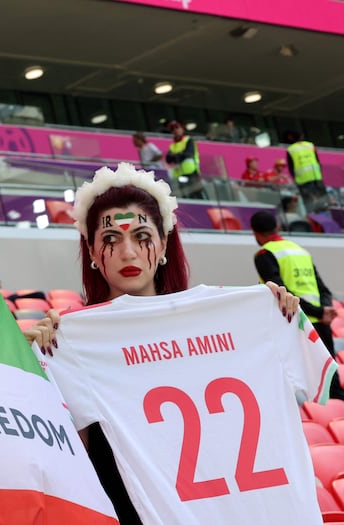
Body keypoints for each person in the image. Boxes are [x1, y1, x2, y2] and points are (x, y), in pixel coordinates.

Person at [24, 163, 301, 524]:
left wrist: (273, 316)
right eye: (110, 239)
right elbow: (70, 460)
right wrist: (31, 365)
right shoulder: (72, 339)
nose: (128, 253)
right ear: (91, 251)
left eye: (141, 236)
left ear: (164, 242)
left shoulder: (222, 320)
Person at [250, 210, 342, 400]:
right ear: (277, 227)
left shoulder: (265, 254)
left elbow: (281, 292)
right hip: (320, 325)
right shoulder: (300, 250)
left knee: (304, 388)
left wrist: (316, 311)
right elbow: (323, 288)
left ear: (255, 233)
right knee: (331, 385)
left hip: (296, 324)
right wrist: (323, 311)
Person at [285, 131, 326, 211]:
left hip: (302, 180)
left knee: (309, 203)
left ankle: (313, 218)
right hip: (316, 176)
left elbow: (291, 167)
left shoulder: (291, 149)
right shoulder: (310, 145)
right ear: (302, 136)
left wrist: (295, 178)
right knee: (322, 201)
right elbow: (317, 161)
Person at [164, 120, 206, 199]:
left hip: (192, 173)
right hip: (180, 175)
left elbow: (189, 153)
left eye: (177, 127)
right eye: (172, 129)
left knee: (198, 195)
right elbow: (168, 159)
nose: (175, 130)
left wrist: (176, 155)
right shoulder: (172, 146)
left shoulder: (188, 140)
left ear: (182, 129)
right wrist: (180, 154)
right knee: (186, 196)